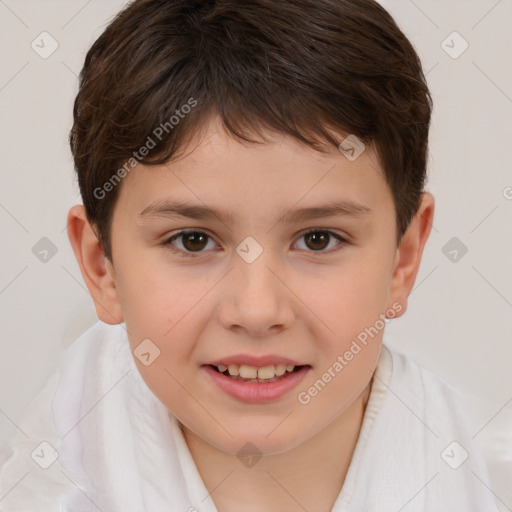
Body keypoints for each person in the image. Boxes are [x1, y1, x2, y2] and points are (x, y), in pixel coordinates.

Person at [0, 0, 499, 510]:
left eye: (319, 239)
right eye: (192, 240)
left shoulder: (481, 477)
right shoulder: (49, 479)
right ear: (101, 266)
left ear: (403, 259)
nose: (257, 311)